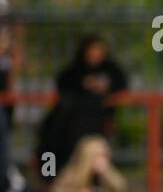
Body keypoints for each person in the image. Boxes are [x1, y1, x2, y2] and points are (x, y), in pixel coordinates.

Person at [35, 34, 128, 182]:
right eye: (92, 50)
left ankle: (89, 186)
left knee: (92, 157)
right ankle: (52, 180)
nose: (95, 55)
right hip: (69, 126)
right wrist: (84, 83)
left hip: (93, 126)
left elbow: (121, 83)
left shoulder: (110, 70)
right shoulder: (74, 73)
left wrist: (104, 87)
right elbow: (63, 83)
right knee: (56, 152)